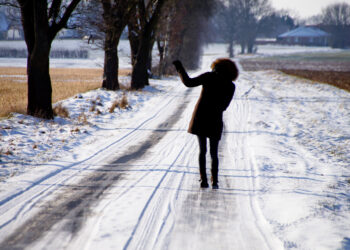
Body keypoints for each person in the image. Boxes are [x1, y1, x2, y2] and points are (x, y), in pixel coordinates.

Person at [173, 58, 238, 189]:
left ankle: (204, 181)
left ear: (215, 67)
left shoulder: (208, 77)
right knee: (214, 153)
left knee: (202, 150)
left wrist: (179, 68)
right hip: (215, 119)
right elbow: (225, 106)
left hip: (201, 117)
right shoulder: (231, 86)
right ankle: (215, 181)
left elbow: (189, 83)